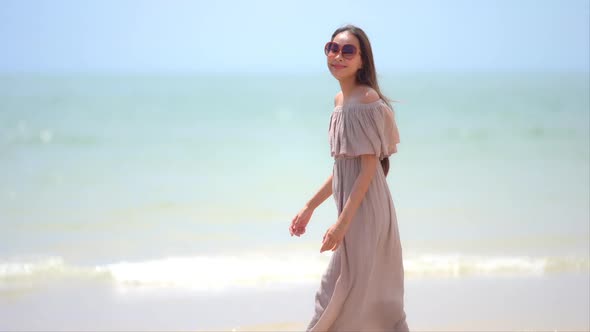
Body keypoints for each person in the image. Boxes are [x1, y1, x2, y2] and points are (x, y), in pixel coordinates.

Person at [289, 25, 409, 331]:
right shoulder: (340, 102)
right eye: (332, 48)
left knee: (346, 294)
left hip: (366, 213)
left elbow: (368, 168)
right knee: (348, 294)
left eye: (348, 50)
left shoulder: (367, 100)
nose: (337, 56)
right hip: (353, 211)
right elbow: (342, 169)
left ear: (362, 61)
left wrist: (342, 224)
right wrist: (309, 207)